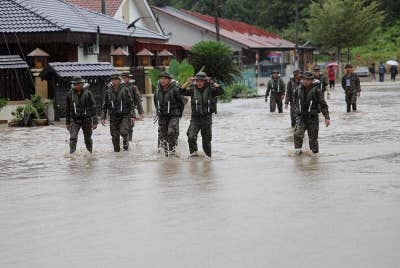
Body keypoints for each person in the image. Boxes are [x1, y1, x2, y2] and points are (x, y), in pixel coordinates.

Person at [180, 71, 224, 158]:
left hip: (207, 118)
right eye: (197, 81)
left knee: (206, 141)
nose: (199, 83)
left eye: (201, 81)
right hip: (195, 118)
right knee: (191, 136)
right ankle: (194, 155)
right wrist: (188, 82)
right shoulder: (193, 90)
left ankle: (208, 160)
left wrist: (212, 82)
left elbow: (221, 91)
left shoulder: (211, 90)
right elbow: (181, 91)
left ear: (205, 81)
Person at [293, 72, 330, 154]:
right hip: (301, 117)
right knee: (297, 134)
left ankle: (315, 158)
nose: (305, 81)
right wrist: (296, 109)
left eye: (307, 79)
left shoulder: (317, 91)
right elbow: (295, 100)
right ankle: (297, 153)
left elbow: (323, 105)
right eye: (303, 79)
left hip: (312, 118)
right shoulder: (298, 89)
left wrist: (327, 117)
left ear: (311, 80)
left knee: (313, 139)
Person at [101, 73, 135, 152]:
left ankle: (125, 140)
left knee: (124, 131)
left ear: (120, 80)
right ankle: (117, 156)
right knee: (115, 137)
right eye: (113, 79)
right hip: (113, 116)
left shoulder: (125, 89)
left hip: (124, 115)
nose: (115, 81)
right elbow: (104, 105)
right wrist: (103, 117)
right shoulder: (108, 91)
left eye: (116, 79)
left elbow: (131, 103)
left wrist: (132, 116)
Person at [154, 71, 183, 157]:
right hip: (162, 115)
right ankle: (167, 154)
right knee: (163, 135)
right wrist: (158, 110)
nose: (163, 80)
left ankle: (173, 149)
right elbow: (156, 101)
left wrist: (179, 113)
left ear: (169, 80)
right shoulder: (157, 89)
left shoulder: (175, 89)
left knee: (171, 132)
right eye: (161, 78)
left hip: (173, 115)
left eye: (165, 79)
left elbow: (180, 102)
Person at [65, 76, 98, 154]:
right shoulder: (69, 94)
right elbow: (67, 109)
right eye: (75, 84)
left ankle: (90, 153)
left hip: (86, 119)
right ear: (73, 85)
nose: (77, 86)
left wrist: (95, 122)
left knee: (87, 138)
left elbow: (93, 107)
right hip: (75, 119)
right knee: (73, 137)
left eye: (79, 84)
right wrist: (67, 122)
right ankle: (72, 154)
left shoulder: (88, 93)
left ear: (82, 84)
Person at [121, 72, 144, 141]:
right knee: (121, 126)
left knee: (130, 126)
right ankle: (125, 138)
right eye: (123, 78)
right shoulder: (119, 87)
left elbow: (138, 100)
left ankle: (129, 140)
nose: (124, 79)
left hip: (131, 109)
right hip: (120, 110)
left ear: (129, 78)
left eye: (126, 78)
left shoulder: (133, 87)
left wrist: (140, 112)